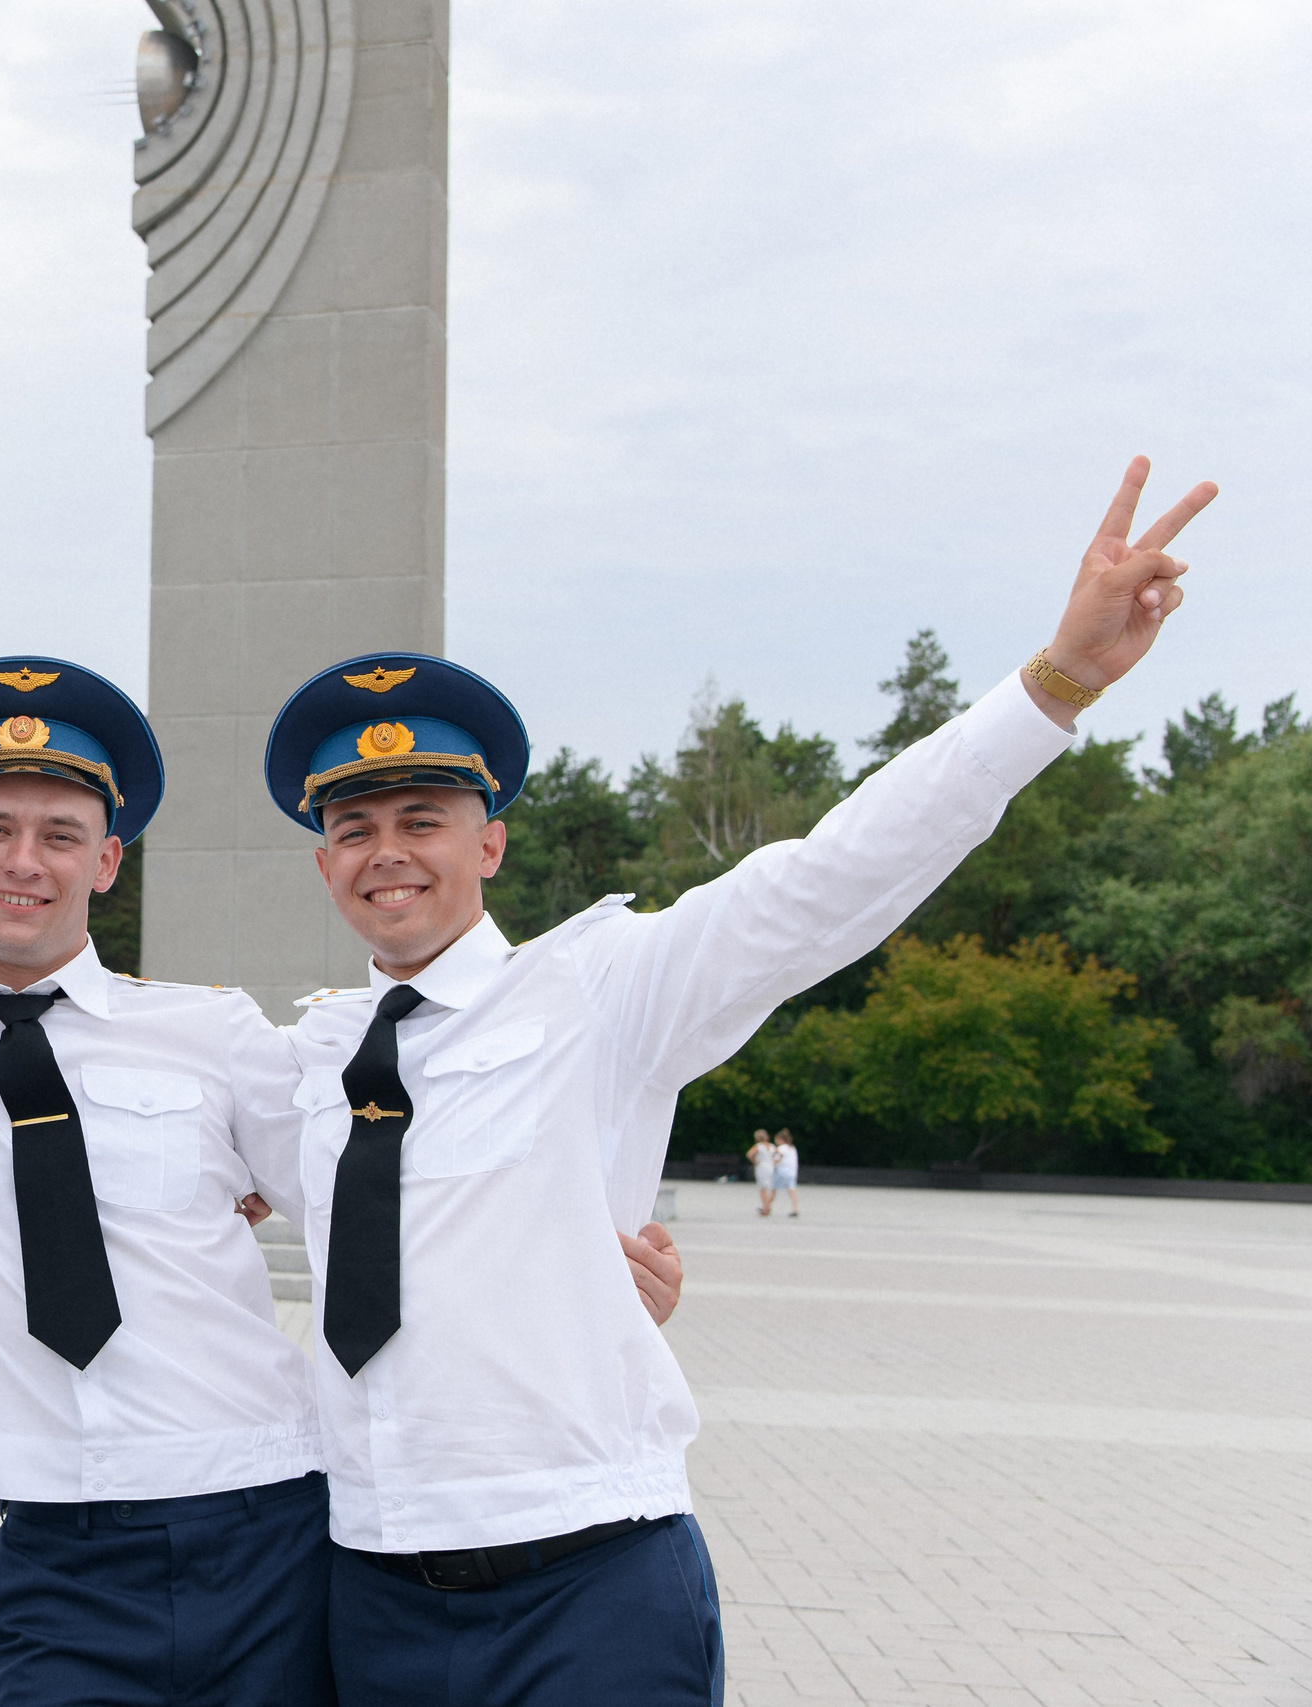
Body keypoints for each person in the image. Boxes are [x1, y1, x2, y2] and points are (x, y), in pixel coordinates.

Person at [263, 455, 1212, 1705]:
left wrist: (1056, 683)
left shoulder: (602, 990)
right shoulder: (293, 1063)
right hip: (372, 1589)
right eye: (351, 827)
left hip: (585, 1589)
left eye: (421, 819)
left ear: (487, 840)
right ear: (324, 862)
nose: (386, 853)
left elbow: (825, 881)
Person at [0, 662, 692, 1706]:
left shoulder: (213, 1032)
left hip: (269, 1530)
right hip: (52, 1556)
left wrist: (575, 1272)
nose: (22, 863)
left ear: (106, 862)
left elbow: (381, 1185)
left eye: (61, 836)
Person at [748, 1128, 778, 1216]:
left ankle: (765, 1208)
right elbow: (779, 1154)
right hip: (771, 1167)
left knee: (762, 1188)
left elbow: (749, 1154)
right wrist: (775, 1161)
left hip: (761, 1167)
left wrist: (755, 1161)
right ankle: (767, 1206)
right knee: (770, 1187)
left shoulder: (759, 1146)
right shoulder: (772, 1146)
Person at [773, 1129, 801, 1217]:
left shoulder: (782, 1148)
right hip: (792, 1173)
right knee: (792, 1190)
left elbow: (778, 1159)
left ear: (781, 1140)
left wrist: (770, 1163)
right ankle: (795, 1209)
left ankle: (766, 1207)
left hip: (782, 1172)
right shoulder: (792, 1148)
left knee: (773, 1189)